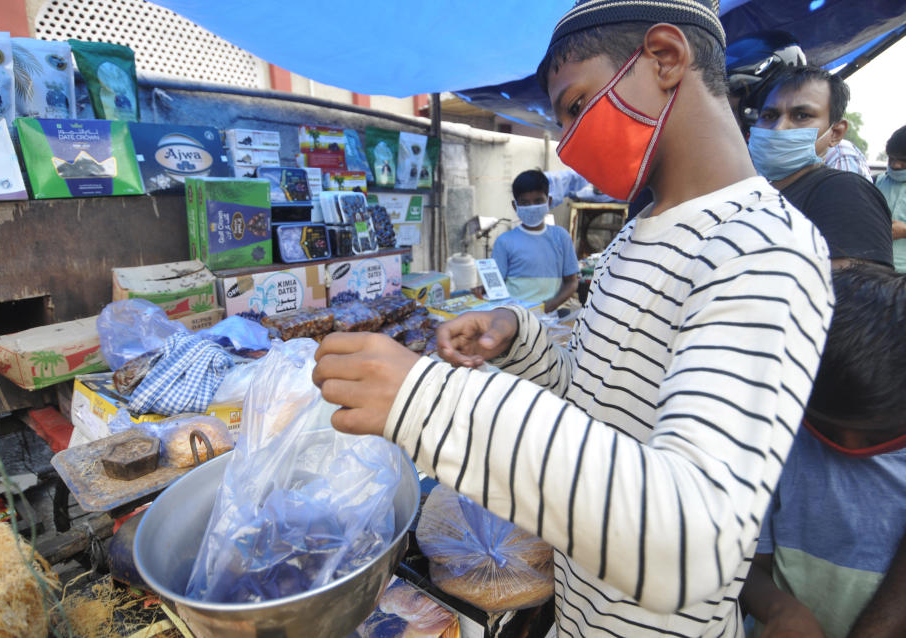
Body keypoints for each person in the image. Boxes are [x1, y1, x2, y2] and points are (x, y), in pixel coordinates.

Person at [312, 1, 833, 636]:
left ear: (665, 59)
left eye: (577, 105)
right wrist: (519, 337)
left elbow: (696, 538)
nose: (568, 142)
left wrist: (426, 402)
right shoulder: (633, 239)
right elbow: (595, 408)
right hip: (583, 610)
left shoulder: (763, 249)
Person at [740, 264, 906, 638]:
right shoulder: (783, 443)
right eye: (828, 425)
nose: (848, 445)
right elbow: (749, 566)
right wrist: (780, 609)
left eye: (873, 429)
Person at [749, 65, 893, 267]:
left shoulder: (845, 192)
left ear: (836, 133)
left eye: (802, 116)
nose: (779, 128)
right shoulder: (756, 194)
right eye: (769, 116)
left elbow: (856, 293)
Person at [490, 169, 580, 313]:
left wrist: (550, 305)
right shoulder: (504, 242)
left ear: (548, 201)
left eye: (538, 201)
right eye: (525, 202)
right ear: (515, 206)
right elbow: (495, 287)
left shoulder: (561, 236)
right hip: (515, 315)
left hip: (551, 314)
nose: (531, 207)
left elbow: (572, 282)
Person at [875, 125, 906, 272]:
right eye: (891, 159)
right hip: (877, 271)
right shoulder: (876, 182)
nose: (895, 165)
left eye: (903, 160)